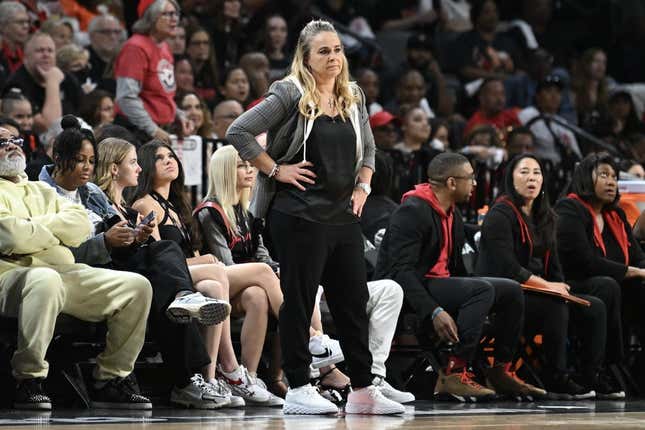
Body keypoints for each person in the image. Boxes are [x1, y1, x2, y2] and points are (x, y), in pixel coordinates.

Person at [226, 19, 405, 415]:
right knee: (300, 300)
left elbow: (370, 150)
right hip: (298, 214)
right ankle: (299, 387)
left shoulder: (352, 95)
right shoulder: (289, 93)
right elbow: (238, 131)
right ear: (305, 58)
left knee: (353, 301)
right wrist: (276, 170)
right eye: (323, 51)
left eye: (338, 50)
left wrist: (363, 187)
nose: (334, 58)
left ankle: (361, 389)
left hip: (342, 214)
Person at [39, 116, 235, 408]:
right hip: (81, 269)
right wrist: (106, 241)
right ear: (58, 157)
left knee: (165, 259)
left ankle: (184, 301)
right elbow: (59, 251)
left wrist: (136, 235)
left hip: (113, 258)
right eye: (80, 160)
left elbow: (114, 230)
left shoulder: (91, 192)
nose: (87, 168)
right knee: (161, 284)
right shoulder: (41, 193)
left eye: (91, 161)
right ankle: (188, 380)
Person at [0, 125, 153, 410]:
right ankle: (28, 378)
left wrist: (31, 232)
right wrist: (53, 232)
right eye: (2, 142)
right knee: (44, 279)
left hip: (63, 274)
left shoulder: (40, 189)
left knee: (136, 286)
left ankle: (110, 378)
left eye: (15, 140)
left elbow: (80, 225)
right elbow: (8, 236)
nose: (11, 145)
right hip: (10, 276)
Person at [375, 152, 544, 401]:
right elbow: (401, 272)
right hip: (409, 290)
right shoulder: (411, 212)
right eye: (470, 179)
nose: (475, 184)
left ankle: (499, 370)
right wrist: (434, 311)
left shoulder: (451, 212)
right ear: (452, 183)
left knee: (510, 290)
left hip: (439, 284)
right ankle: (454, 372)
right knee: (481, 290)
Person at [194, 144, 352, 399]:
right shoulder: (209, 211)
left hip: (247, 286)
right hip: (219, 280)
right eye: (241, 166)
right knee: (266, 276)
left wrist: (276, 270)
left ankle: (252, 376)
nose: (249, 170)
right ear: (223, 171)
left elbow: (261, 253)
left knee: (266, 291)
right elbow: (224, 264)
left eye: (250, 165)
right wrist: (269, 272)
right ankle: (313, 340)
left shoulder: (246, 211)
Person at [132, 140, 281, 406]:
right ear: (145, 167)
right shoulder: (145, 204)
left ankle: (217, 378)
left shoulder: (177, 206)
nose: (169, 161)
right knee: (259, 272)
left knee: (254, 293)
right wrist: (203, 262)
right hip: (169, 284)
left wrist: (201, 261)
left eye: (171, 156)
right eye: (159, 158)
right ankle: (309, 341)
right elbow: (158, 261)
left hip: (197, 279)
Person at [476, 154, 620, 399]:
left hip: (540, 290)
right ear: (511, 178)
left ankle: (590, 375)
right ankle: (556, 377)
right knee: (556, 305)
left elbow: (554, 268)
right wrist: (550, 287)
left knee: (593, 306)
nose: (532, 177)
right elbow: (509, 268)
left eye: (537, 172)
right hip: (505, 296)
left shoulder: (546, 217)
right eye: (524, 172)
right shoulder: (500, 214)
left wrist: (560, 285)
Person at [556, 152, 645, 388]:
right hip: (573, 285)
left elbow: (638, 257)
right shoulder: (569, 209)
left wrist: (640, 271)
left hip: (615, 289)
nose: (611, 182)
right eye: (603, 175)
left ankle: (638, 370)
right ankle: (604, 367)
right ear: (585, 177)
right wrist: (634, 272)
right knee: (607, 284)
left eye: (614, 177)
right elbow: (585, 262)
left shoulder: (616, 215)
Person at [113, 0, 190, 144]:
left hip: (154, 131)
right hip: (135, 133)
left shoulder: (165, 47)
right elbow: (126, 97)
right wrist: (153, 129)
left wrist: (179, 116)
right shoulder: (135, 48)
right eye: (168, 14)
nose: (174, 19)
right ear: (151, 16)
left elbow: (163, 96)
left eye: (176, 13)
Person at [3, 32, 82, 135]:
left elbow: (85, 114)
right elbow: (49, 127)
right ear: (26, 56)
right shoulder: (16, 84)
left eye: (50, 50)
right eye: (40, 50)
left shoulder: (67, 79)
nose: (46, 55)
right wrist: (52, 82)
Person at [388, 106, 439, 202]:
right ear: (404, 126)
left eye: (427, 121)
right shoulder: (390, 155)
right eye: (417, 120)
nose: (425, 124)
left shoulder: (433, 157)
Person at [87, 14, 123, 94]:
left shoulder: (126, 59)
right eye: (106, 32)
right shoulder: (82, 60)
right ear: (91, 35)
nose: (113, 37)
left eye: (117, 32)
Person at [185, 27, 219, 108]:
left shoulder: (214, 73)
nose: (202, 47)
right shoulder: (183, 72)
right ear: (188, 48)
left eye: (206, 43)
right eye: (197, 43)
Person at [0, 2, 31, 84]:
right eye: (20, 22)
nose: (26, 26)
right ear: (3, 26)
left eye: (27, 22)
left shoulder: (28, 54)